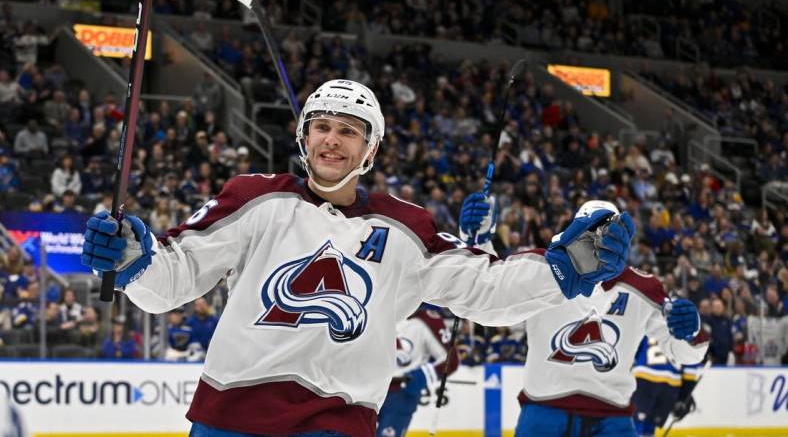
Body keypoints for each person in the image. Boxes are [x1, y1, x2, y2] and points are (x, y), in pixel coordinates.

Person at [81, 79, 634, 436]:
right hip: (232, 419)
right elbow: (173, 277)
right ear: (303, 137)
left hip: (336, 424)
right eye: (321, 127)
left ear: (369, 150)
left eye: (349, 131)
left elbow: (483, 289)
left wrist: (565, 268)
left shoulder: (406, 227)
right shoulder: (256, 197)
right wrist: (135, 258)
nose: (332, 141)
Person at [459, 198, 707, 437]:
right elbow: (491, 291)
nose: (598, 241)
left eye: (607, 231)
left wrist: (689, 332)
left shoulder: (642, 287)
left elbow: (686, 353)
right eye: (590, 231)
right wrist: (478, 241)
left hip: (611, 419)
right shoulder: (547, 271)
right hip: (544, 413)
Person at [376, 305, 459, 437]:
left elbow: (450, 360)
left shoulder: (426, 319)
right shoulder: (373, 309)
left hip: (400, 393)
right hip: (368, 392)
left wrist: (421, 377)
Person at [632, 337, 706, 437]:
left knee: (639, 423)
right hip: (669, 385)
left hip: (643, 380)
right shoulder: (688, 332)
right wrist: (684, 396)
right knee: (649, 424)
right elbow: (690, 369)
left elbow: (633, 350)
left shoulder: (649, 323)